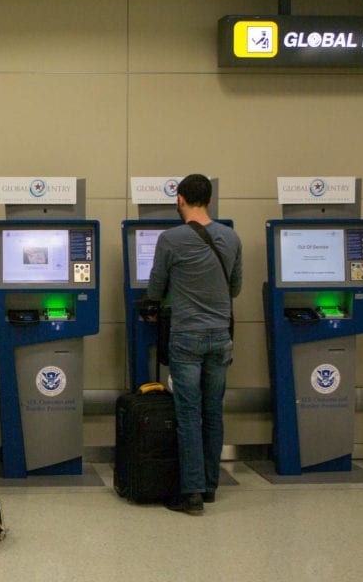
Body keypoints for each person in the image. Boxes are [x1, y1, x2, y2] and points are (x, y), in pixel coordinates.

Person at [146, 174, 242, 516]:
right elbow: (235, 288)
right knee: (213, 411)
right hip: (220, 336)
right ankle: (211, 485)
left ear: (180, 199)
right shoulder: (231, 237)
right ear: (210, 201)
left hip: (187, 335)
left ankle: (192, 493)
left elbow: (155, 287)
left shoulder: (170, 238)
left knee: (188, 414)